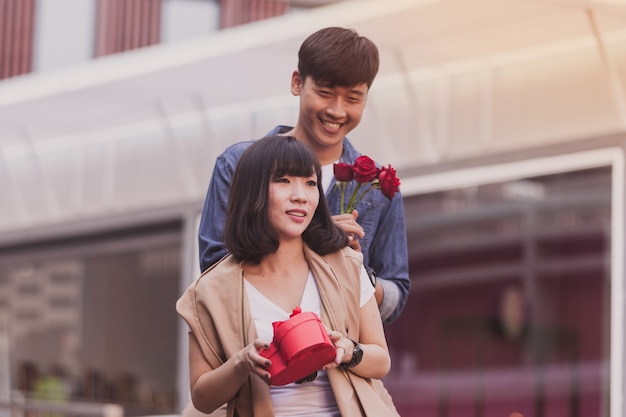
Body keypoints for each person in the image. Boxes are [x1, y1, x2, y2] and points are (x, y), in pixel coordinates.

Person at [198, 26, 410, 324]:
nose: (337, 111)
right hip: (256, 352)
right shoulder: (237, 164)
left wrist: (356, 271)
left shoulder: (378, 185)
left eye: (353, 98)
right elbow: (212, 270)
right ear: (298, 83)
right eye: (325, 93)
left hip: (339, 362)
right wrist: (312, 241)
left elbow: (394, 298)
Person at [178, 136, 399, 416]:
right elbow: (202, 398)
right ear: (251, 192)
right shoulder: (209, 290)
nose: (301, 195)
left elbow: (381, 362)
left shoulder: (346, 266)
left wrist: (348, 350)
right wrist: (242, 363)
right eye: (283, 180)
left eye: (310, 183)